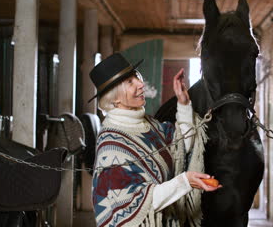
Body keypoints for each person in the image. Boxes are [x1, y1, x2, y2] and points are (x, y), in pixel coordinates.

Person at [89, 53, 221, 227]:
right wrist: (184, 181)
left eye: (136, 76)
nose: (141, 84)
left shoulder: (149, 124)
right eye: (130, 82)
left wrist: (184, 103)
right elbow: (132, 204)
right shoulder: (111, 145)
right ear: (115, 98)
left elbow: (181, 145)